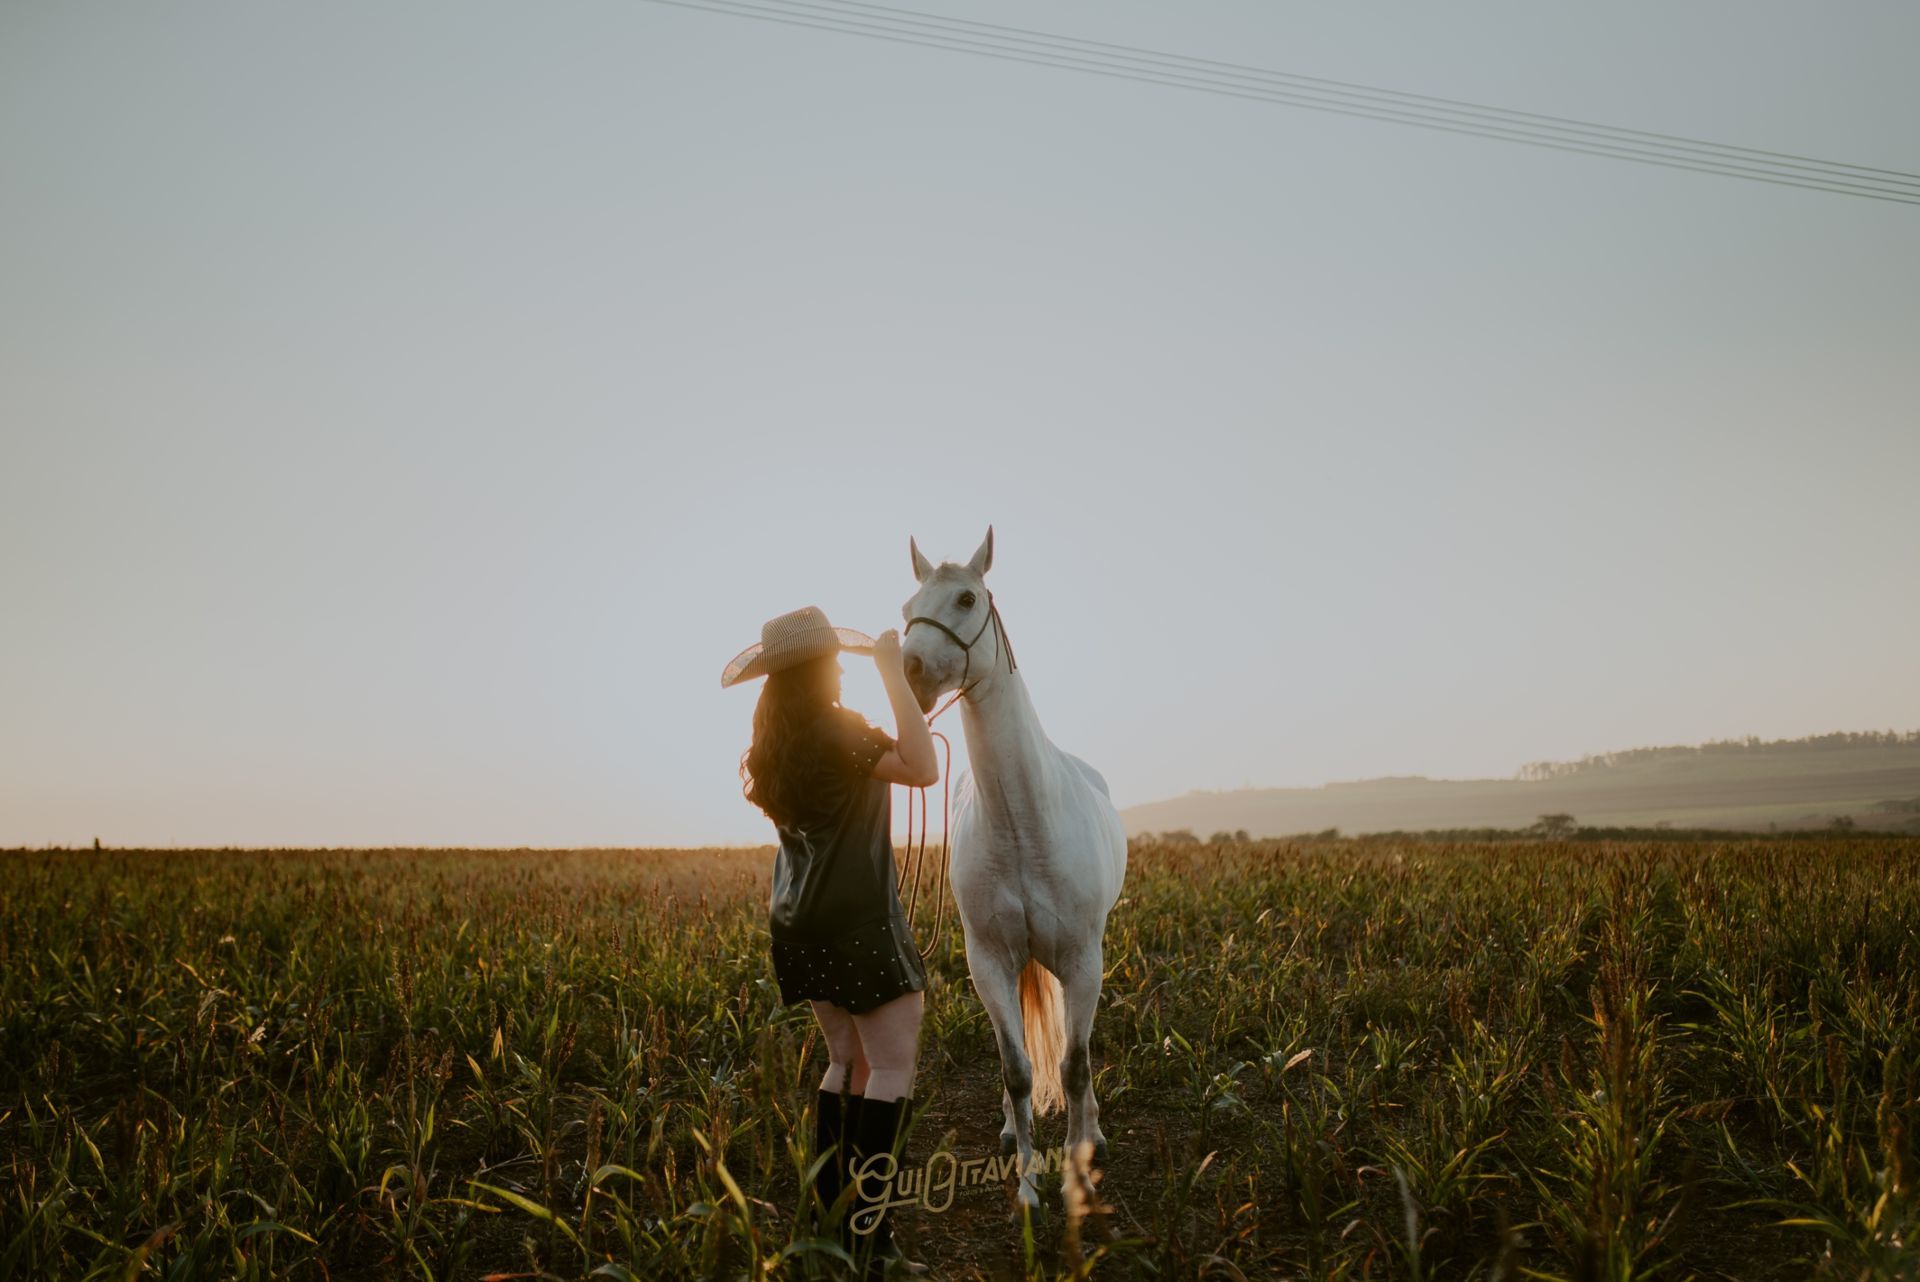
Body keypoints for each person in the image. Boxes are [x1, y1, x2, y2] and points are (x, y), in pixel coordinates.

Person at [722, 604, 940, 1277]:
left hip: (797, 920)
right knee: (893, 1067)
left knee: (847, 1060)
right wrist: (891, 674)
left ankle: (829, 1216)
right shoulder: (839, 731)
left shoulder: (772, 745)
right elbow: (923, 766)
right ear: (827, 667)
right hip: (856, 920)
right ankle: (871, 1237)